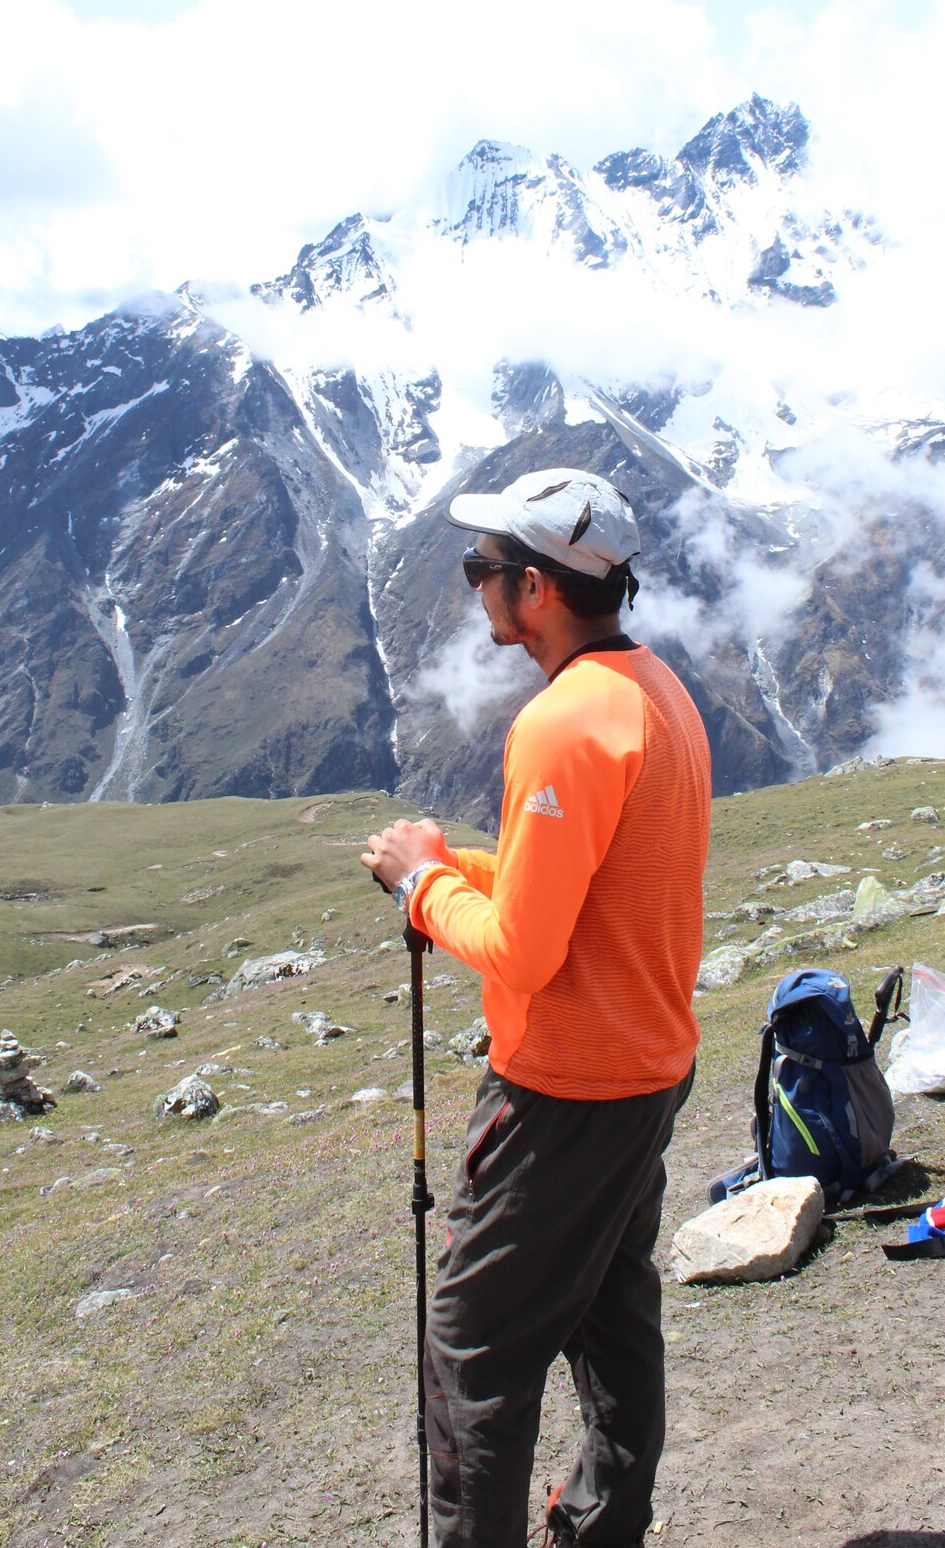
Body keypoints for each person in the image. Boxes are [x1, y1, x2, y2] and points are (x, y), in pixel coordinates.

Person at [362, 466, 710, 1548]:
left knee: (473, 1348)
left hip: (563, 1086)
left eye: (480, 569)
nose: (472, 587)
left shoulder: (560, 724)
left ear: (536, 586)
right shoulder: (655, 688)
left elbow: (521, 945)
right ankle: (603, 1524)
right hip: (647, 1062)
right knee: (611, 1310)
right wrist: (448, 860)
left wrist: (424, 886)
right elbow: (580, 874)